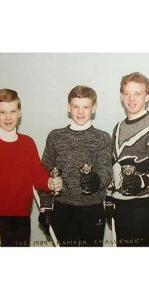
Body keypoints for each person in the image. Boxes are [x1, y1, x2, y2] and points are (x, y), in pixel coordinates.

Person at [0, 88, 61, 247]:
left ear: (19, 112)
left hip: (22, 219)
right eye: (2, 112)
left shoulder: (27, 143)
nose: (8, 117)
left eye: (12, 111)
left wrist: (49, 182)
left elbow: (37, 174)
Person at [38, 85, 112, 247]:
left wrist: (97, 180)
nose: (80, 111)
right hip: (62, 208)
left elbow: (107, 172)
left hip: (92, 208)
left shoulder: (103, 138)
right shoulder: (55, 136)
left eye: (85, 107)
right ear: (68, 107)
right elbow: (43, 173)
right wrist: (45, 207)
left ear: (93, 108)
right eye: (76, 106)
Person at [105, 72, 149, 247]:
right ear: (121, 96)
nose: (131, 98)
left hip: (144, 207)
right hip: (120, 206)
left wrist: (141, 181)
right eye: (127, 93)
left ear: (147, 97)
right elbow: (114, 165)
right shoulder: (118, 127)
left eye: (137, 93)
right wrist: (110, 198)